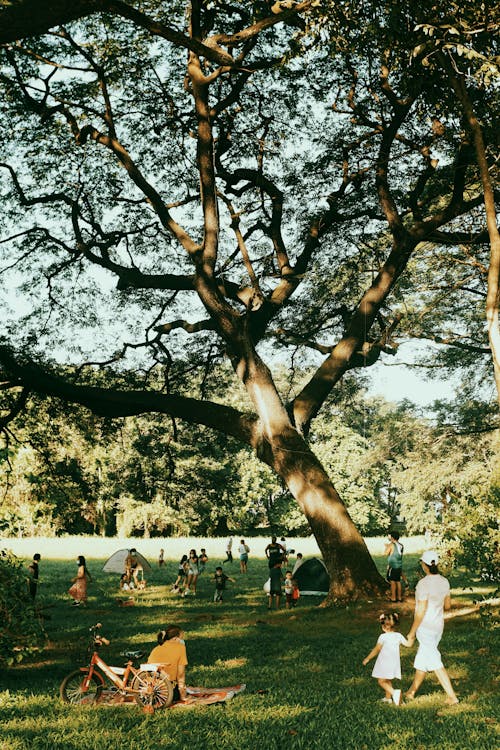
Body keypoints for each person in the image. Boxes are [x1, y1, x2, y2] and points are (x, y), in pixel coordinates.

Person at [405, 550, 459, 705]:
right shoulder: (444, 581)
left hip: (425, 628)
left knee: (435, 661)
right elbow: (448, 606)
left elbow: (421, 611)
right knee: (423, 658)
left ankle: (452, 696)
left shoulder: (423, 584)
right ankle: (411, 692)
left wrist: (412, 632)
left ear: (424, 565)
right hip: (438, 626)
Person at [362, 612, 409, 705]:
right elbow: (408, 644)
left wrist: (367, 658)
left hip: (384, 662)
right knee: (387, 679)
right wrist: (412, 637)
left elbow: (377, 649)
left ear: (383, 626)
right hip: (394, 662)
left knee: (381, 681)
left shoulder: (383, 637)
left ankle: (395, 693)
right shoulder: (398, 635)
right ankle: (388, 698)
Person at [147, 625, 188, 702]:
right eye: (181, 638)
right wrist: (183, 696)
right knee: (177, 692)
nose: (182, 640)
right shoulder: (181, 648)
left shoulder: (156, 649)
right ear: (176, 638)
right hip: (165, 693)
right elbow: (181, 675)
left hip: (148, 691)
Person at [384, 531, 404, 602]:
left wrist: (387, 547)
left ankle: (393, 598)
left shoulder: (391, 545)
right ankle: (399, 597)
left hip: (393, 566)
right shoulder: (401, 545)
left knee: (392, 582)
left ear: (392, 537)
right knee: (398, 581)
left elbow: (386, 553)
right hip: (399, 565)